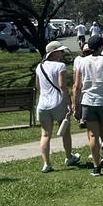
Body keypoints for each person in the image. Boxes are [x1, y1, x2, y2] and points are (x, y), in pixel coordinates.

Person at [73, 35, 103, 176]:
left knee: (93, 135)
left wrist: (75, 105)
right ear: (101, 46)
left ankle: (96, 167)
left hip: (88, 101)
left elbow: (77, 86)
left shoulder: (82, 62)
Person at [36, 41, 81, 172]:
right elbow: (62, 86)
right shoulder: (60, 66)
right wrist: (69, 103)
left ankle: (47, 164)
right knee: (65, 131)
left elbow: (38, 86)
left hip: (43, 104)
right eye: (60, 51)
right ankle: (69, 156)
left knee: (45, 135)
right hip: (57, 102)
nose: (62, 54)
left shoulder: (40, 66)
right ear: (54, 53)